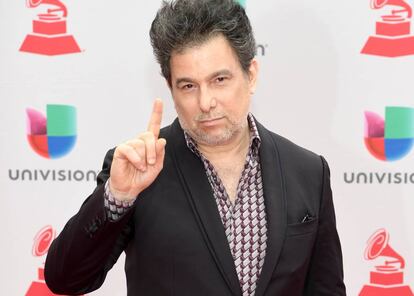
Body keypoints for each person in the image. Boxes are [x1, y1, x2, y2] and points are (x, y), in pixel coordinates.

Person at [44, 0, 346, 295]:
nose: (205, 103)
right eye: (188, 86)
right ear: (170, 87)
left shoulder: (307, 171)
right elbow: (66, 279)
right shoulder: (139, 168)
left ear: (251, 75)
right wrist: (118, 197)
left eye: (219, 80)